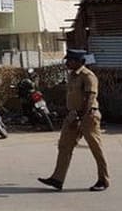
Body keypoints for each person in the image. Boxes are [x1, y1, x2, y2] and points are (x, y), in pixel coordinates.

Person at [39, 49, 110, 192]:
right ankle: (57, 179)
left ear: (80, 62)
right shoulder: (72, 75)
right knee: (64, 146)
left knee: (96, 149)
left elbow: (90, 98)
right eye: (67, 60)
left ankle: (103, 180)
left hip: (88, 116)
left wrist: (81, 115)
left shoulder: (88, 76)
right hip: (72, 116)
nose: (67, 62)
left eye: (70, 60)